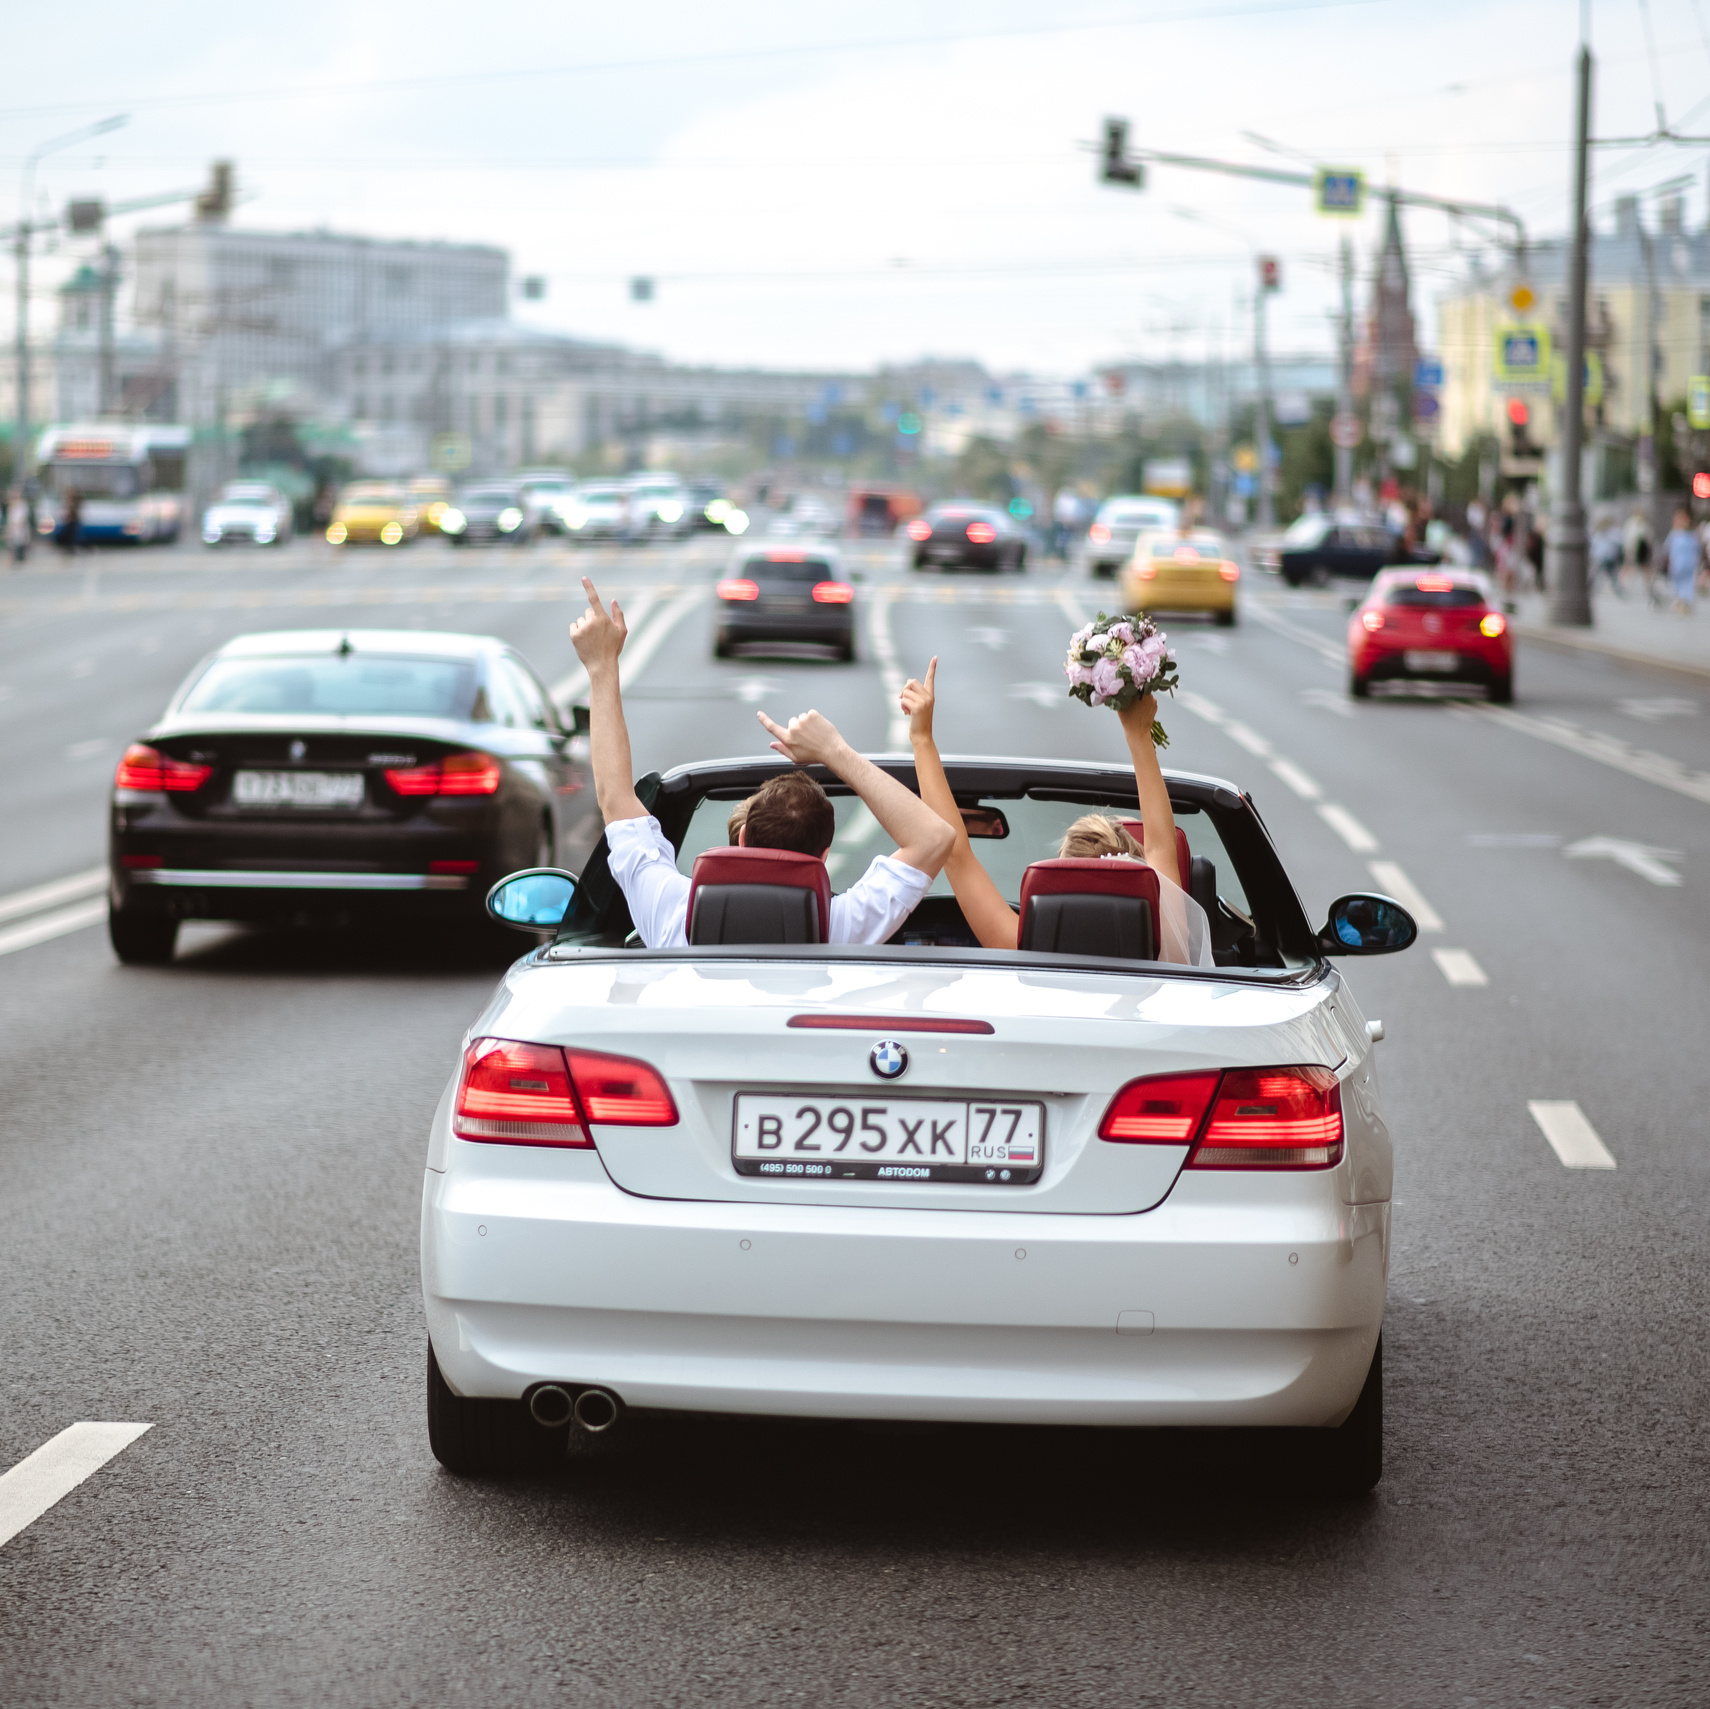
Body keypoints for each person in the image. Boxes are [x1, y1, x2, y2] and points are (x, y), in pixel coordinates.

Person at [568, 577, 953, 947]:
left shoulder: (671, 911)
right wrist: (835, 751)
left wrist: (602, 666)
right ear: (823, 856)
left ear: (742, 838)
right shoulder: (840, 928)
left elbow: (616, 799)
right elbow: (934, 837)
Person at [899, 657, 1212, 967]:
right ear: (1143, 877)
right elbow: (1159, 845)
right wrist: (1139, 735)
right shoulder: (1169, 944)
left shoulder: (1024, 948)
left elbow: (954, 852)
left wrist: (921, 738)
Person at [1662, 506, 1701, 614]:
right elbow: (1666, 549)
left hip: (1687, 564)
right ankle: (1681, 602)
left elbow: (1697, 549)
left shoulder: (1690, 534)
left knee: (1686, 583)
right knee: (1679, 583)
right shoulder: (1676, 534)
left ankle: (1683, 603)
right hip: (1678, 564)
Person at [4, 488, 30, 567]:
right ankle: (13, 559)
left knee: (20, 542)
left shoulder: (23, 504)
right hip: (13, 527)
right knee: (12, 543)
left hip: (20, 527)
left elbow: (24, 516)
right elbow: (10, 517)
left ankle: (20, 559)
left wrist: (19, 524)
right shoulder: (12, 505)